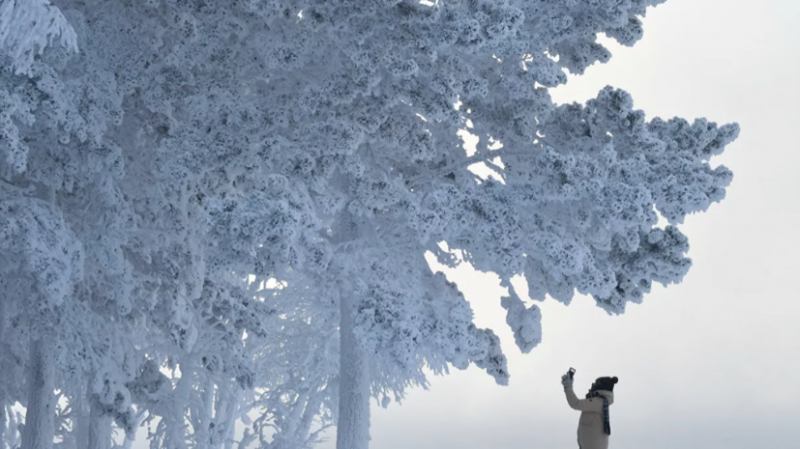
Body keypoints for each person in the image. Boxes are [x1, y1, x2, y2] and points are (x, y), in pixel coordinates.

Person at [561, 370, 619, 449]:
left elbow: (575, 403)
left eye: (595, 384)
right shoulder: (600, 402)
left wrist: (568, 387)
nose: (592, 385)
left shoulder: (598, 402)